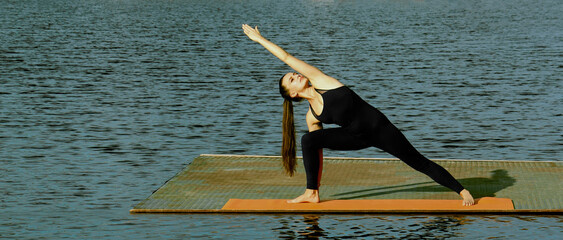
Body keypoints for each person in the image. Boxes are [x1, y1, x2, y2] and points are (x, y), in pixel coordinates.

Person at [242, 24, 475, 206]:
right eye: (292, 79)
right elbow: (317, 154)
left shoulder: (320, 80)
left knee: (416, 161)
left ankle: (461, 190)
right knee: (308, 140)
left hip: (380, 129)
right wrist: (316, 182)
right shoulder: (312, 116)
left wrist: (260, 39)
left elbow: (286, 57)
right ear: (293, 94)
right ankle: (311, 193)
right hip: (356, 138)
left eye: (294, 74)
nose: (296, 75)